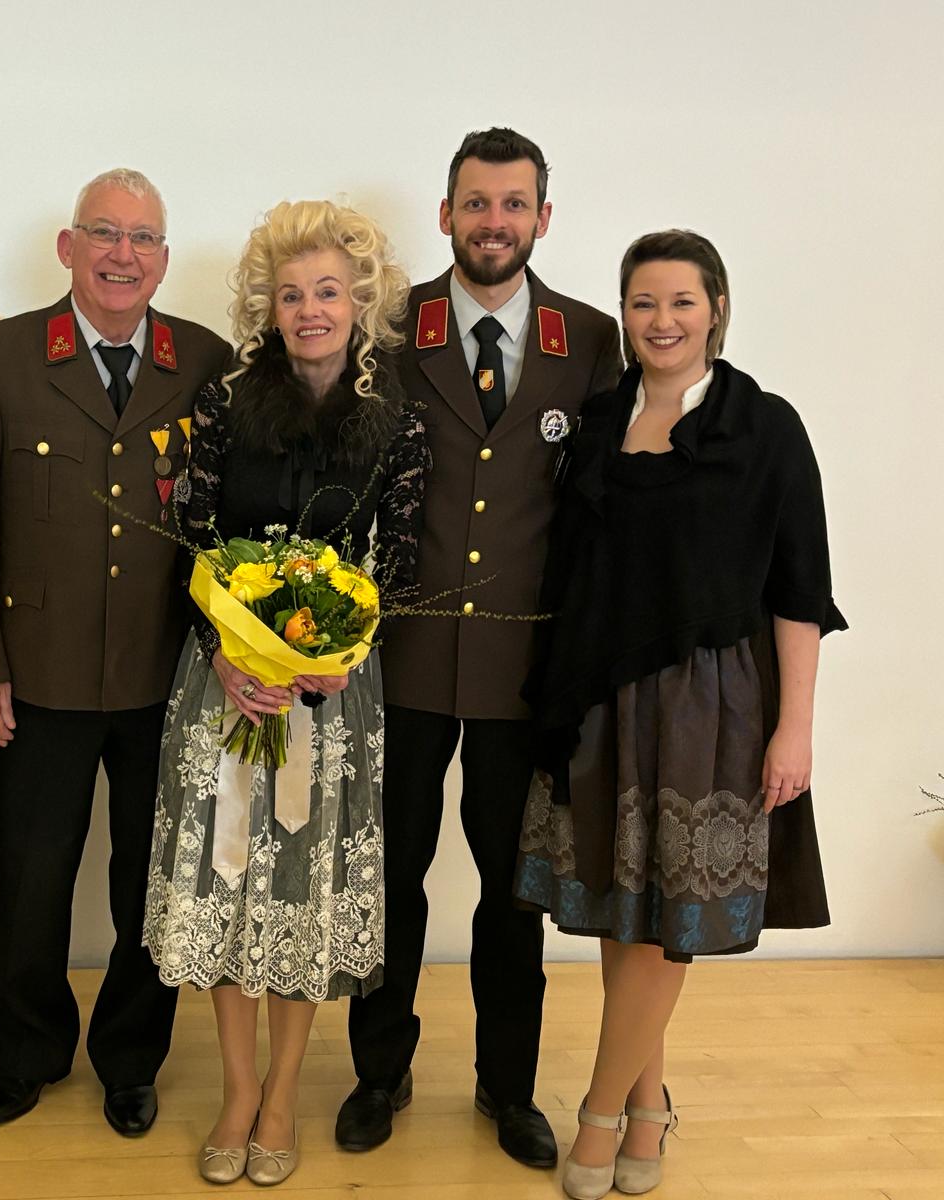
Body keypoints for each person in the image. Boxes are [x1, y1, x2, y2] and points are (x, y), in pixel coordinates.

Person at [517, 229, 843, 1199]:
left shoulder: (764, 427)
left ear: (716, 311)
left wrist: (795, 728)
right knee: (625, 911)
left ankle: (599, 1115)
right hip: (602, 698)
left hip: (710, 705)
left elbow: (799, 590)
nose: (661, 321)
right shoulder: (597, 419)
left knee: (671, 923)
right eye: (643, 302)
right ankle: (649, 1107)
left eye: (681, 302)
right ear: (624, 315)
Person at [340, 127, 623, 1166]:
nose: (492, 222)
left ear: (542, 217)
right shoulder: (388, 327)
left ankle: (508, 1086)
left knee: (513, 892)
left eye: (512, 204)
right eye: (475, 203)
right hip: (403, 658)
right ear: (446, 212)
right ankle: (379, 1070)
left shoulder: (589, 339)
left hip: (525, 667)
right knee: (390, 876)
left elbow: (605, 506)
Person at [145, 200, 428, 1185]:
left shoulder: (399, 414)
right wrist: (224, 653)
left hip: (330, 689)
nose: (310, 310)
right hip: (225, 680)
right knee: (227, 881)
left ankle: (282, 1096)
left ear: (361, 301)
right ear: (267, 305)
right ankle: (235, 1090)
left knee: (302, 884)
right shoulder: (225, 399)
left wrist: (346, 647)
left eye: (328, 292)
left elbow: (399, 556)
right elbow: (190, 535)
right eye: (291, 293)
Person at [0, 168, 228, 1133]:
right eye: (104, 233)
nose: (122, 255)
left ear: (163, 259)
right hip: (38, 673)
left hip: (165, 676)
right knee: (32, 880)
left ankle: (131, 1060)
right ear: (69, 247)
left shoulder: (206, 361)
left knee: (150, 882)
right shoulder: (2, 356)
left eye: (142, 239)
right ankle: (25, 1054)